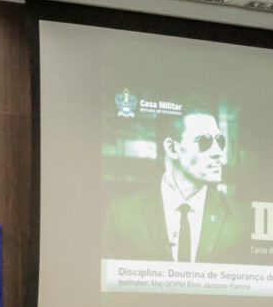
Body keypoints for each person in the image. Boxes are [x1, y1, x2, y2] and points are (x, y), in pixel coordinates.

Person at [101, 104, 247, 262]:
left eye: (220, 141)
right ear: (171, 148)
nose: (218, 152)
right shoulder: (122, 214)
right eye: (204, 141)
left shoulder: (241, 217)